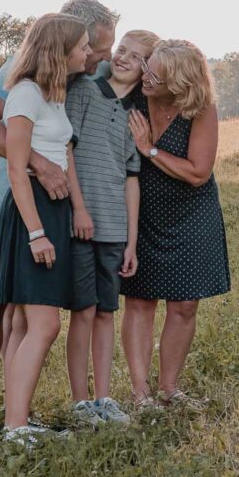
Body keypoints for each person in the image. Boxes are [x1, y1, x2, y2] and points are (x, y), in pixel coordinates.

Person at [0, 0, 119, 438]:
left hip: (48, 205)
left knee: (23, 317)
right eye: (97, 46)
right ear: (71, 40)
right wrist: (37, 164)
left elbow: (69, 139)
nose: (101, 56)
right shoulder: (22, 74)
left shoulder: (68, 77)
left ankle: (17, 417)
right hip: (4, 200)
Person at [0, 13, 92, 445]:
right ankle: (15, 427)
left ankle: (18, 421)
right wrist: (36, 233)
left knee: (29, 324)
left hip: (54, 210)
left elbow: (60, 154)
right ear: (59, 49)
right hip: (31, 211)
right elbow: (16, 170)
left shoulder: (54, 95)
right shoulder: (26, 94)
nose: (89, 53)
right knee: (45, 324)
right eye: (83, 46)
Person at [123, 39, 231, 409]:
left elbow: (199, 173)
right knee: (139, 301)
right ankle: (141, 393)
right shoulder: (133, 96)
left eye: (156, 75)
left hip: (192, 210)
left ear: (181, 84)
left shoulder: (200, 108)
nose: (147, 77)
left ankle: (170, 388)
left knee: (184, 304)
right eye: (147, 67)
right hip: (142, 209)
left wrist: (148, 148)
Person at [65, 30, 160, 425]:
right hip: (80, 222)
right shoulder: (85, 90)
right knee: (83, 312)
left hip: (115, 229)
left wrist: (131, 242)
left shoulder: (136, 115)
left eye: (136, 57)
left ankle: (104, 398)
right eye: (122, 50)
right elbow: (65, 149)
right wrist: (79, 209)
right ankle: (81, 401)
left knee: (106, 311)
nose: (123, 58)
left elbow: (130, 178)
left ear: (145, 70)